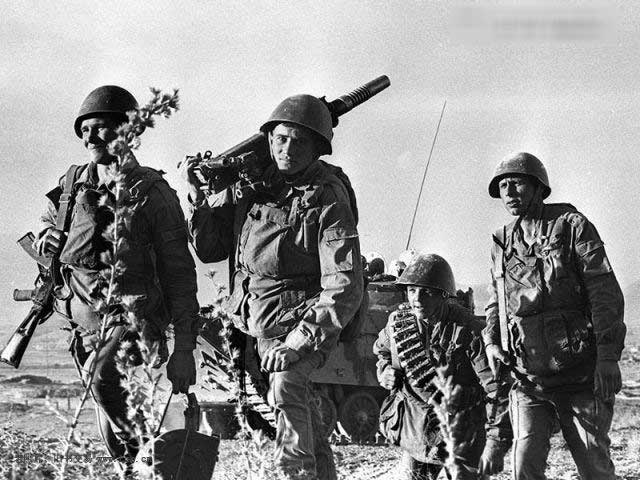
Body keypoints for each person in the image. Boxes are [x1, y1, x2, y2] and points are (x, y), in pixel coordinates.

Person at [181, 94, 363, 479]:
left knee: (287, 389)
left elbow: (344, 284)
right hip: (253, 325)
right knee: (303, 417)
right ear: (268, 140)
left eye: (299, 141)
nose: (287, 149)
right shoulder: (254, 186)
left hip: (299, 326)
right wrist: (198, 198)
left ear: (317, 148)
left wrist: (298, 342)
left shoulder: (327, 197)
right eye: (280, 139)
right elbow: (211, 249)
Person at [34, 85, 199, 469]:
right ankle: (135, 467)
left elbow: (179, 275)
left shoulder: (153, 193)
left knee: (102, 379)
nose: (90, 138)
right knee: (109, 424)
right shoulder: (72, 185)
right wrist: (46, 235)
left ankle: (150, 460)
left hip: (133, 321)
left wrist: (184, 350)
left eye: (101, 128)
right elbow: (48, 220)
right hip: (83, 323)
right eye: (85, 130)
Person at [483, 152, 626, 480]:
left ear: (538, 187)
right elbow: (496, 302)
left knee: (594, 469)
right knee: (524, 467)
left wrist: (608, 357)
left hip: (580, 378)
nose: (509, 192)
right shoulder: (501, 242)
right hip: (528, 380)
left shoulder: (572, 226)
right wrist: (491, 341)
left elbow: (604, 292)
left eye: (517, 183)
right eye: (503, 186)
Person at [374, 253, 512, 480]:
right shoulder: (397, 323)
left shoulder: (468, 329)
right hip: (417, 434)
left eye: (426, 292)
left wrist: (495, 441)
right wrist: (384, 371)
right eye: (412, 290)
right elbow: (382, 352)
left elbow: (496, 389)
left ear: (443, 295)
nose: (417, 299)